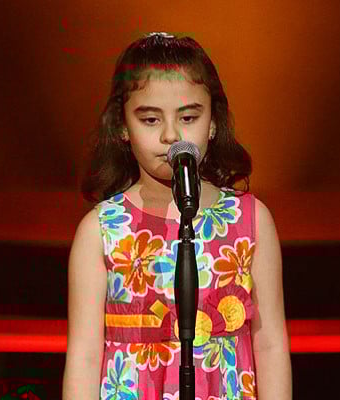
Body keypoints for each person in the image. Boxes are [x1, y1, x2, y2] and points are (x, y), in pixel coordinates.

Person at [62, 32, 292, 400]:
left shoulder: (250, 220)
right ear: (122, 126)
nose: (171, 135)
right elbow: (85, 355)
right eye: (151, 120)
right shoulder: (101, 231)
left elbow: (270, 344)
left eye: (188, 117)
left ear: (212, 122)